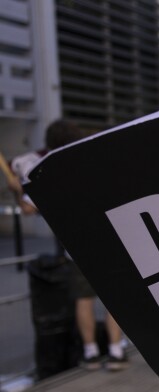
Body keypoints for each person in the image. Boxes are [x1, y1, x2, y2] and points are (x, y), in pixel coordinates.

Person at [15, 120, 127, 371]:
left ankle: (90, 353)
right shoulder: (91, 163)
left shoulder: (45, 173)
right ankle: (117, 352)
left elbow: (27, 209)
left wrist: (17, 190)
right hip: (109, 243)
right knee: (114, 301)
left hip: (76, 249)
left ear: (50, 143)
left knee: (83, 300)